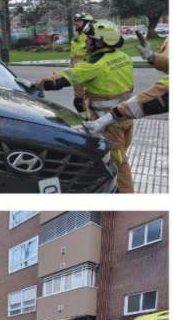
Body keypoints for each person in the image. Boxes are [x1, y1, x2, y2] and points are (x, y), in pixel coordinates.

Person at [34, 20, 135, 191]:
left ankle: (126, 195)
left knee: (119, 164)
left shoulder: (94, 64)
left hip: (109, 123)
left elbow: (59, 82)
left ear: (101, 41)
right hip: (127, 117)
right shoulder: (124, 58)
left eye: (90, 39)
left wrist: (37, 84)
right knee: (120, 155)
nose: (86, 42)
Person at [85, 32, 168, 132]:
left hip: (113, 116)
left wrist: (112, 116)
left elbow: (159, 96)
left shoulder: (98, 62)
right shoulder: (124, 56)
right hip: (121, 119)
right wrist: (152, 56)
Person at [70, 12, 95, 116]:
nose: (76, 23)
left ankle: (92, 120)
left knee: (89, 102)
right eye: (76, 21)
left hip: (86, 74)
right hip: (76, 73)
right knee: (78, 102)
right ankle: (86, 120)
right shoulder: (78, 37)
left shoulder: (91, 38)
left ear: (87, 23)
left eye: (79, 21)